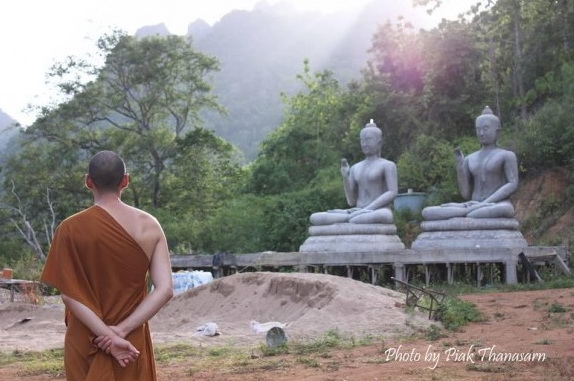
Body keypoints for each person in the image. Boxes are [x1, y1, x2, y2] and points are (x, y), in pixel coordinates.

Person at [40, 150, 174, 380]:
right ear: (125, 181)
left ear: (88, 181)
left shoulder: (70, 229)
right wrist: (119, 332)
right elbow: (165, 290)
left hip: (87, 336)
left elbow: (70, 296)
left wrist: (105, 336)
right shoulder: (149, 226)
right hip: (130, 337)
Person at [422, 106, 519, 221]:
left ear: (497, 132)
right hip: (472, 204)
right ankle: (468, 212)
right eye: (478, 129)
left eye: (486, 128)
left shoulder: (506, 155)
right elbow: (466, 194)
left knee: (505, 209)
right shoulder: (470, 158)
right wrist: (459, 167)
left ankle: (466, 213)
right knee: (427, 212)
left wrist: (486, 203)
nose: (481, 133)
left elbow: (512, 184)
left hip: (496, 204)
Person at [310, 120, 398, 225]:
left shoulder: (387, 165)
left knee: (384, 216)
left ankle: (350, 219)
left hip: (377, 211)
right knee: (315, 217)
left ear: (379, 143)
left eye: (369, 140)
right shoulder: (355, 167)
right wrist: (345, 177)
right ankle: (351, 219)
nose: (365, 144)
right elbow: (351, 201)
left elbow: (392, 192)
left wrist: (367, 209)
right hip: (356, 211)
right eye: (362, 141)